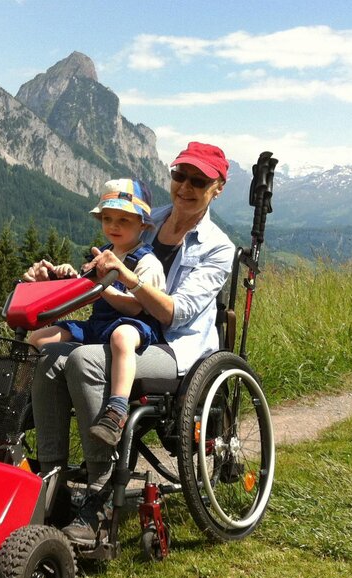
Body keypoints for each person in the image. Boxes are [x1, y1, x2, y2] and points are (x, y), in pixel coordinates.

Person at [29, 141, 237, 545]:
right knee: (50, 356)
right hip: (120, 333)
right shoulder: (144, 218)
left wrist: (128, 278)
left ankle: (102, 494)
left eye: (200, 180)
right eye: (180, 175)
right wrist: (57, 278)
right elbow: (96, 273)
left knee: (85, 361)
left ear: (218, 187)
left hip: (174, 350)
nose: (186, 186)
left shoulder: (218, 247)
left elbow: (173, 314)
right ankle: (51, 483)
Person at [25, 178, 167, 448]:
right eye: (108, 218)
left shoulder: (147, 261)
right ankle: (30, 401)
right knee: (39, 338)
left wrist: (100, 288)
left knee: (122, 338)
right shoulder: (102, 254)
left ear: (143, 225)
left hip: (135, 325)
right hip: (98, 325)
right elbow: (82, 290)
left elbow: (136, 306)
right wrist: (62, 277)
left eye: (124, 220)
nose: (114, 226)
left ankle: (116, 410)